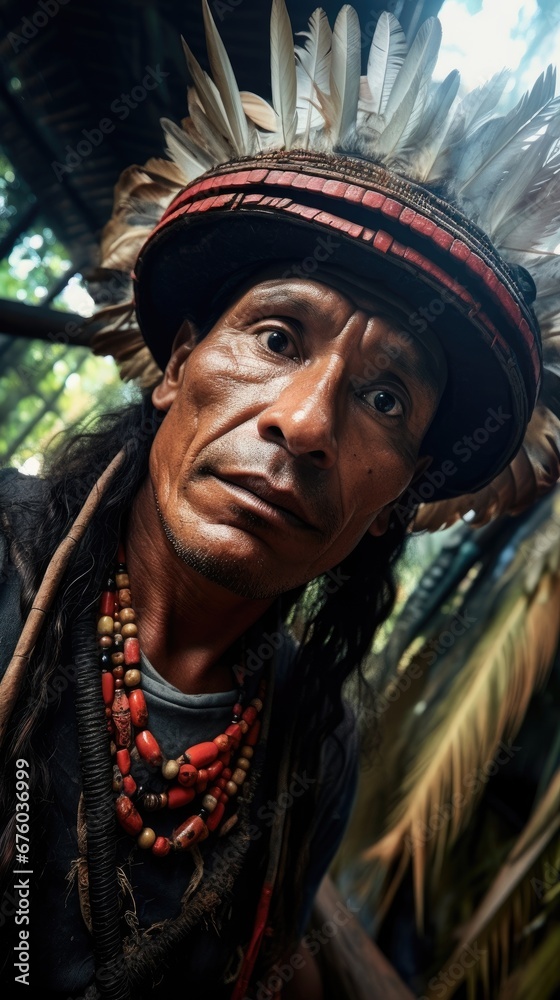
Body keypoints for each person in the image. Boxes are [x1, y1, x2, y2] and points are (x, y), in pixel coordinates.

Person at [1, 2, 559, 998]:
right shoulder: (9, 556)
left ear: (395, 501)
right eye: (274, 337)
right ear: (175, 367)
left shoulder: (315, 748)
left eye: (383, 397)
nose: (304, 423)